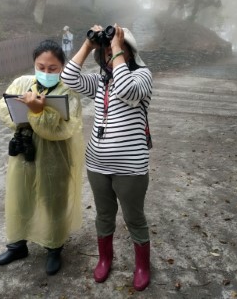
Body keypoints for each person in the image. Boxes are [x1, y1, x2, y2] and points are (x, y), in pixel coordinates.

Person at [61, 24, 153, 291]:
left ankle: (142, 266)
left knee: (134, 218)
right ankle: (105, 258)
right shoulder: (101, 81)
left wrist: (115, 46)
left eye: (113, 50)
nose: (108, 56)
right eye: (104, 52)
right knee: (104, 214)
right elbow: (68, 79)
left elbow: (126, 90)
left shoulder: (142, 77)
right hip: (97, 165)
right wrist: (89, 45)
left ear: (129, 51)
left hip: (130, 168)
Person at [0, 40, 84, 276]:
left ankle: (54, 248)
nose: (46, 72)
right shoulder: (23, 83)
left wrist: (36, 112)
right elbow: (4, 108)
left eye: (52, 68)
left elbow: (61, 130)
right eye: (41, 66)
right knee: (20, 197)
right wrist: (24, 115)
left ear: (62, 67)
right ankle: (17, 244)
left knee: (53, 201)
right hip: (25, 152)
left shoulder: (68, 92)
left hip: (56, 156)